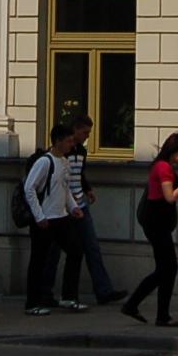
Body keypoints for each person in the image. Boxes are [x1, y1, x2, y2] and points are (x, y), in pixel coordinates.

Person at [122, 132, 178, 328]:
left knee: (166, 269)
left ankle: (155, 312)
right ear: (175, 150)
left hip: (156, 223)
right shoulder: (164, 167)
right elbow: (170, 197)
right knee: (168, 268)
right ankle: (140, 307)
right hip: (157, 223)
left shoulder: (161, 165)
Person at [61, 115, 125, 305]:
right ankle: (49, 293)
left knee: (92, 247)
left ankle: (103, 291)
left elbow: (79, 174)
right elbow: (61, 178)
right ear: (75, 130)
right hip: (63, 207)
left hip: (80, 203)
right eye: (85, 132)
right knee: (58, 251)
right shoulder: (62, 151)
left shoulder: (81, 151)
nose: (87, 136)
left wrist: (87, 189)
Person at [21, 120, 83, 316]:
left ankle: (69, 296)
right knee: (38, 260)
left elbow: (64, 189)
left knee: (76, 251)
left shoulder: (64, 162)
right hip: (45, 220)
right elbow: (29, 188)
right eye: (68, 141)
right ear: (57, 141)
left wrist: (73, 207)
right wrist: (39, 215)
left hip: (61, 217)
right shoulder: (44, 162)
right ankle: (32, 303)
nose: (72, 145)